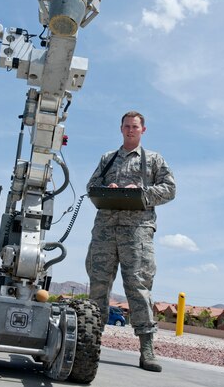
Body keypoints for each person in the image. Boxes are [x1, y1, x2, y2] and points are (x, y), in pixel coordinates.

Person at [85, 110, 176, 372]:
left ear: (142, 130)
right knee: (98, 287)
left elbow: (170, 189)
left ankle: (147, 350)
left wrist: (143, 192)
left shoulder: (154, 160)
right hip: (105, 231)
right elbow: (91, 186)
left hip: (137, 234)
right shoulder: (107, 158)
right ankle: (90, 343)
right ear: (121, 129)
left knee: (138, 287)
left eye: (134, 126)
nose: (130, 130)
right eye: (126, 126)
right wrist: (107, 189)